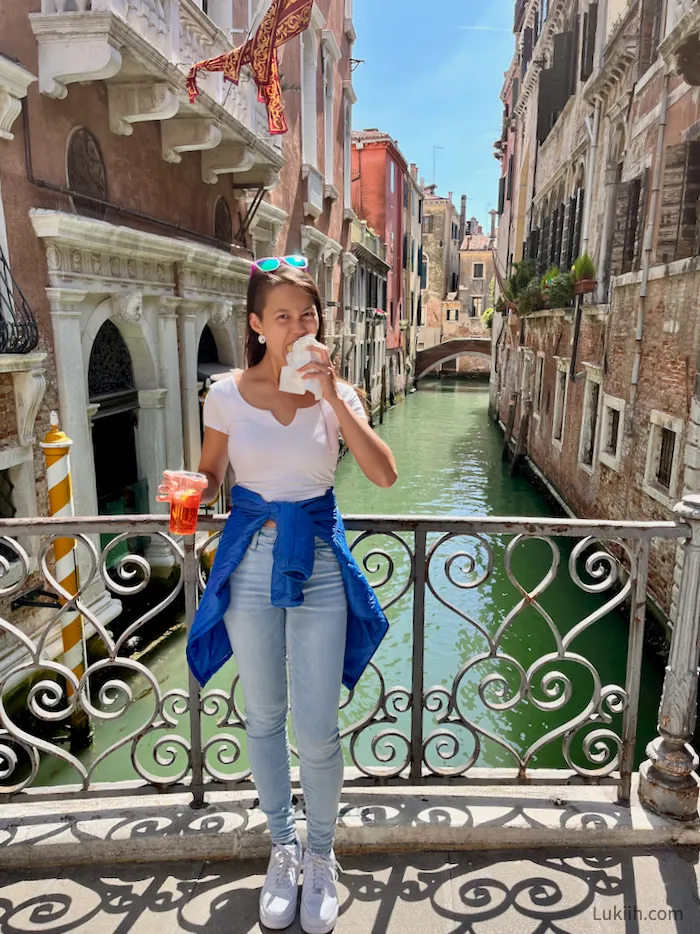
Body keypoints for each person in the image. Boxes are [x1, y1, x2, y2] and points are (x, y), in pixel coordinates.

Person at [162, 256, 397, 934]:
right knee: (263, 716)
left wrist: (331, 400)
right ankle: (283, 847)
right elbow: (210, 476)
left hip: (319, 561)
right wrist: (184, 488)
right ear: (258, 324)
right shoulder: (226, 394)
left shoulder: (339, 394)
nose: (297, 327)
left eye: (308, 314)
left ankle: (322, 854)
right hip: (251, 561)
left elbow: (383, 474)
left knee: (317, 729)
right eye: (283, 315)